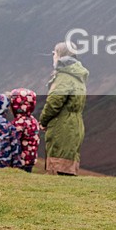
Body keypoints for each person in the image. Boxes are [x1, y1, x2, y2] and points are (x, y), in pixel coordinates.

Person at [40, 42, 89, 176]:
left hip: (62, 126)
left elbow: (54, 102)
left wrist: (43, 121)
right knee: (68, 167)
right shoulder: (78, 77)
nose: (53, 56)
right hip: (75, 125)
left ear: (60, 55)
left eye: (54, 53)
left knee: (58, 168)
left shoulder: (63, 77)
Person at [10, 88, 40, 173]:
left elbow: (13, 141)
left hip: (20, 161)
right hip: (30, 158)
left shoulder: (19, 122)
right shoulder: (33, 120)